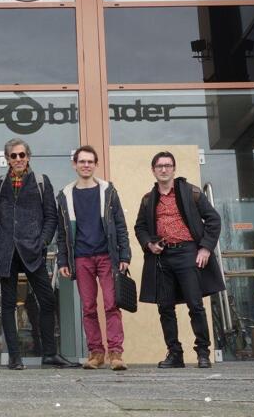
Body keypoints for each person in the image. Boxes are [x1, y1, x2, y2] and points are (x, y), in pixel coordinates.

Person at [0, 138, 80, 370]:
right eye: (13, 156)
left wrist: (44, 241)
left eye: (22, 155)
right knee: (7, 304)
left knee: (47, 300)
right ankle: (15, 358)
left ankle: (49, 354)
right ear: (7, 159)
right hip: (6, 249)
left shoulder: (40, 181)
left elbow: (51, 216)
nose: (18, 159)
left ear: (28, 157)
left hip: (33, 249)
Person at [134, 151, 224, 369]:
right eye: (159, 166)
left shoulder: (190, 192)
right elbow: (140, 227)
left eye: (168, 165)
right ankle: (175, 354)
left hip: (188, 254)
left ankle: (203, 352)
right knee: (165, 307)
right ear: (153, 170)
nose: (164, 169)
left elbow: (213, 219)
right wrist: (149, 244)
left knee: (195, 305)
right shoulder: (148, 199)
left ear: (174, 169)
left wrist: (205, 248)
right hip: (162, 257)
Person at [57, 145, 131, 371]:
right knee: (88, 308)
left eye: (90, 161)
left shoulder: (108, 191)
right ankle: (96, 353)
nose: (86, 165)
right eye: (82, 161)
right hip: (81, 258)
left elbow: (120, 225)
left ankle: (115, 354)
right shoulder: (65, 195)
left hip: (108, 256)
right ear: (74, 164)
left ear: (96, 165)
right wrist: (63, 261)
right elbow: (62, 232)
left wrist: (125, 254)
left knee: (112, 305)